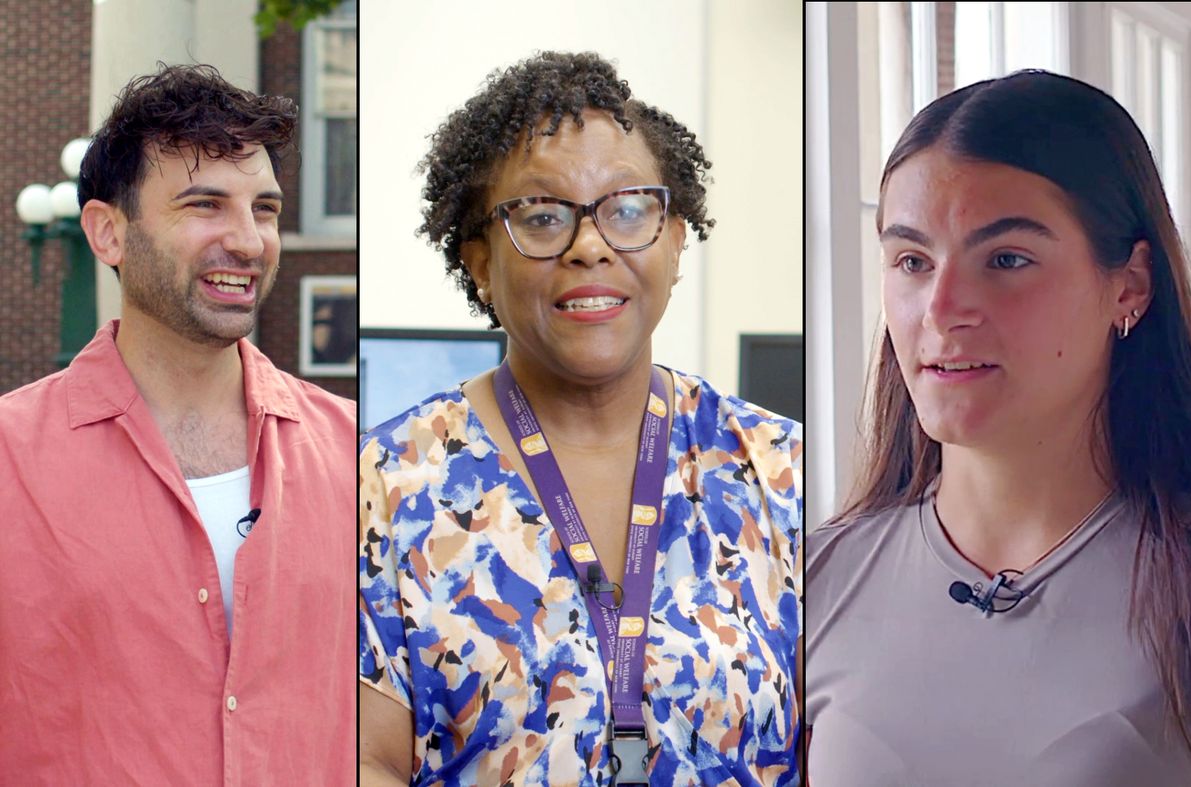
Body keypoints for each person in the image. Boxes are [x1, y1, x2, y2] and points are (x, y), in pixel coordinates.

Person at [357, 52, 802, 786]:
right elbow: (363, 761)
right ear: (479, 262)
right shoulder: (384, 486)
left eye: (627, 210)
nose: (590, 245)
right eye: (542, 217)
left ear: (675, 240)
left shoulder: (783, 472)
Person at [805, 70, 1191, 786]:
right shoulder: (812, 585)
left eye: (1006, 259)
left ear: (1130, 285)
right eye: (912, 261)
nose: (941, 309)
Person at [0, 64, 355, 783]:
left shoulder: (361, 454)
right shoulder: (10, 458)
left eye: (264, 209)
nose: (249, 242)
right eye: (205, 205)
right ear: (107, 233)